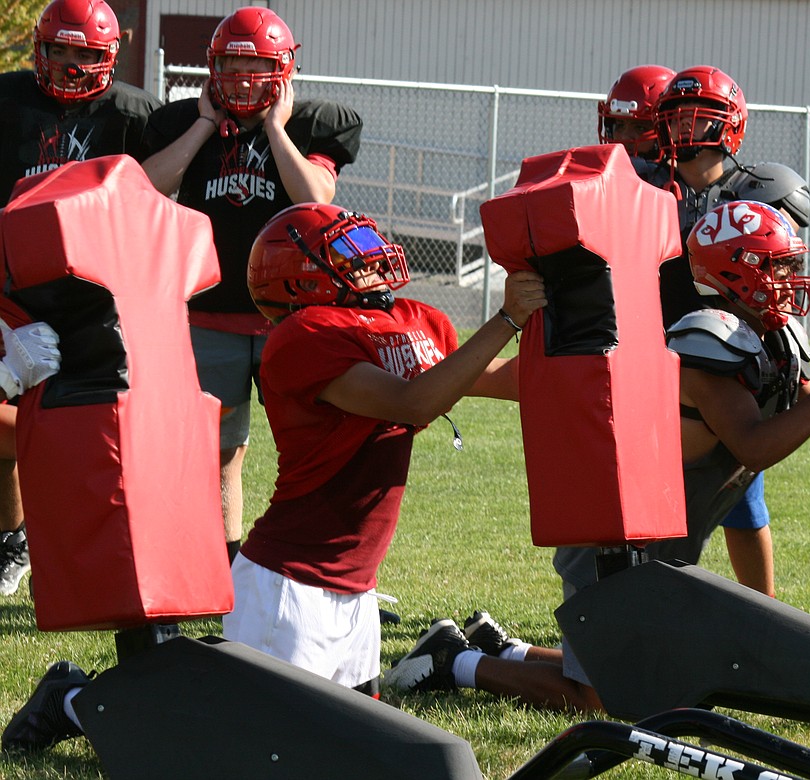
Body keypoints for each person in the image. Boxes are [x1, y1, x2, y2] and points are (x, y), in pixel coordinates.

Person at [0, 203, 546, 750]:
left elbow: (509, 380)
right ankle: (72, 701)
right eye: (349, 252)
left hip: (355, 587)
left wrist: (565, 314)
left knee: (344, 749)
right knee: (222, 745)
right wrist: (506, 320)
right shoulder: (302, 338)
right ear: (301, 274)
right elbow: (413, 401)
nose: (372, 258)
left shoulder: (403, 321)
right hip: (290, 586)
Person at [385, 201, 810, 711]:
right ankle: (451, 662)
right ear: (738, 271)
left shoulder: (773, 340)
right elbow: (755, 443)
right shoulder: (712, 343)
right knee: (605, 700)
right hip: (614, 534)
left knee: (655, 675)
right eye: (780, 266)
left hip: (657, 542)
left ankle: (502, 648)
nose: (793, 279)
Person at [141, 6, 362, 564]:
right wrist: (201, 126)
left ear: (284, 70)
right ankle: (224, 566)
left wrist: (274, 129)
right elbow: (148, 186)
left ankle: (319, 562)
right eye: (233, 65)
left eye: (256, 66)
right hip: (209, 314)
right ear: (213, 67)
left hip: (290, 316)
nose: (242, 78)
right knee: (218, 452)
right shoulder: (180, 123)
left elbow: (315, 196)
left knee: (315, 446)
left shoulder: (312, 122)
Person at [0, 0, 161, 596]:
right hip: (17, 289)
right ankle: (13, 539)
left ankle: (113, 540)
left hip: (101, 295)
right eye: (59, 50)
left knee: (108, 427)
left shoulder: (133, 113)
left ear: (109, 56)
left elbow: (159, 198)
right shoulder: (9, 99)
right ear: (39, 50)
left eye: (85, 53)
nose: (70, 64)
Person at [646, 65, 810, 597]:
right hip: (672, 349)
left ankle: (762, 609)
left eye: (701, 119)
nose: (688, 131)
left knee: (745, 500)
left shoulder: (765, 192)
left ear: (731, 126)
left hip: (739, 356)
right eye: (677, 119)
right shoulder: (645, 189)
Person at [597, 64, 675, 163]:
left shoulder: (687, 177)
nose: (624, 137)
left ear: (667, 134)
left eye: (640, 128)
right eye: (619, 125)